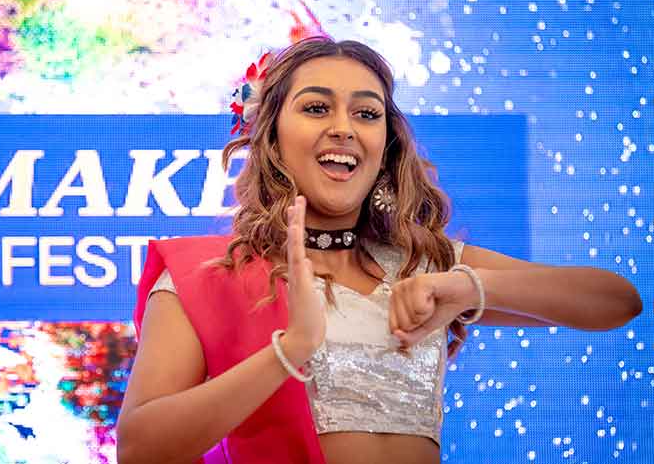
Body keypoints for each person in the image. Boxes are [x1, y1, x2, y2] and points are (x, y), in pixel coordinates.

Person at [114, 36, 643, 464]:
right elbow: (141, 449)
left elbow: (616, 302)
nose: (343, 128)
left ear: (385, 145)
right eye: (317, 108)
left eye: (366, 114)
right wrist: (290, 351)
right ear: (271, 137)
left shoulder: (424, 264)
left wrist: (465, 286)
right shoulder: (206, 275)